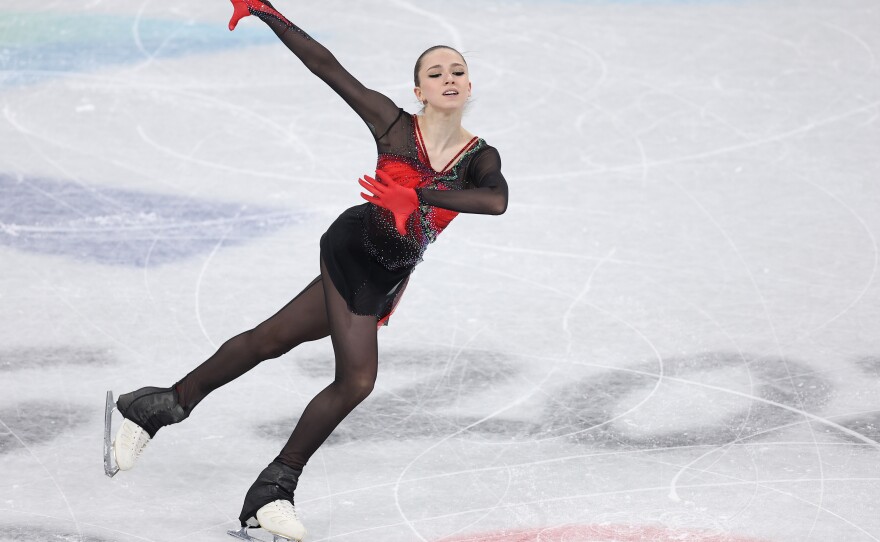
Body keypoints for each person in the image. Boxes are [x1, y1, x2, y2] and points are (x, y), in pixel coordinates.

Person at [106, 1, 508, 540]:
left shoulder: (480, 156)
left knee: (269, 339)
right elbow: (326, 66)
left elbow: (496, 201)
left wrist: (419, 193)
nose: (449, 79)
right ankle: (273, 490)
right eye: (435, 73)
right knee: (358, 380)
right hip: (353, 248)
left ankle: (156, 406)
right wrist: (267, 12)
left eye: (457, 70)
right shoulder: (392, 125)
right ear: (419, 91)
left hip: (390, 272)